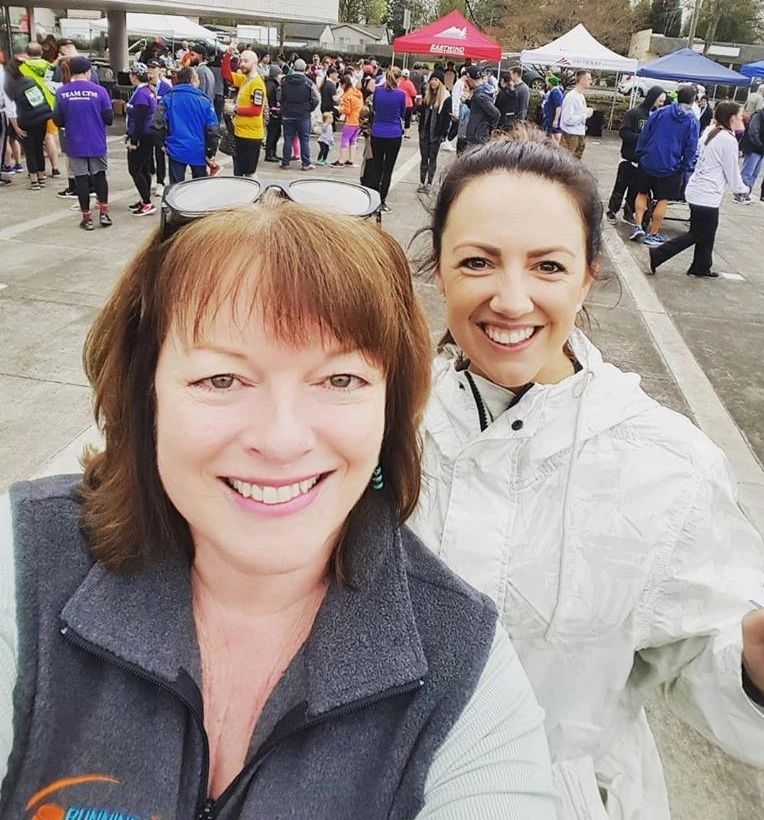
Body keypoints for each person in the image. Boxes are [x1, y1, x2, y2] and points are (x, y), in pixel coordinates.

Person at [0, 184, 558, 818]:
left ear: (390, 409)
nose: (282, 439)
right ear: (145, 393)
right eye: (222, 378)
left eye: (340, 379)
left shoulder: (462, 666)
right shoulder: (24, 568)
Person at [410, 133, 764, 820]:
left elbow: (705, 660)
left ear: (589, 274)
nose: (512, 301)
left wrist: (754, 666)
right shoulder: (377, 428)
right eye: (478, 261)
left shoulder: (668, 466)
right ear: (440, 270)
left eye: (547, 266)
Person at [647, 102, 748, 277]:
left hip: (699, 189)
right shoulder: (727, 140)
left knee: (708, 230)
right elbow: (732, 170)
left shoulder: (711, 132)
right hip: (706, 193)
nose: (742, 120)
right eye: (740, 117)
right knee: (699, 233)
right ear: (731, 118)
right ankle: (658, 254)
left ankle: (701, 266)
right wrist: (742, 190)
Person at [631, 83, 700, 247]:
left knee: (641, 193)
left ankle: (638, 226)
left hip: (648, 160)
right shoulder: (692, 120)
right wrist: (684, 166)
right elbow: (691, 146)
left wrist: (640, 152)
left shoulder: (660, 112)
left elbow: (645, 133)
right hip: (671, 165)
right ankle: (653, 233)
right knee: (663, 199)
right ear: (693, 100)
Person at [52, 56, 113, 231]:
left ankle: (87, 218)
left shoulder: (62, 92)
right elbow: (109, 118)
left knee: (81, 180)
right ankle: (104, 213)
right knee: (100, 176)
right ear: (88, 72)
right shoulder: (100, 91)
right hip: (97, 141)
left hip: (74, 142)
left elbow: (57, 119)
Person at [606, 86, 666, 224]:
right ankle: (612, 211)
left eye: (663, 102)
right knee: (620, 186)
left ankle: (629, 212)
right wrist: (643, 138)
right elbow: (624, 132)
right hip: (628, 158)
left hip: (644, 161)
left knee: (635, 190)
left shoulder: (657, 116)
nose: (661, 104)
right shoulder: (634, 113)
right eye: (659, 101)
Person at [153, 66, 219, 184]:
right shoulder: (204, 101)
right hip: (198, 150)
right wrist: (211, 151)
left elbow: (157, 122)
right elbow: (213, 129)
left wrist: (161, 143)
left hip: (175, 149)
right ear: (193, 79)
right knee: (199, 187)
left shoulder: (168, 98)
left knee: (175, 187)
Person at [3, 55, 53, 189]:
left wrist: (16, 128)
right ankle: (42, 176)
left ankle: (34, 180)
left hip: (26, 121)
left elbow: (11, 111)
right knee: (38, 148)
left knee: (30, 150)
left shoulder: (9, 88)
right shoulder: (30, 80)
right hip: (41, 117)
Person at [367, 67, 406, 213]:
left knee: (376, 167)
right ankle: (382, 201)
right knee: (388, 169)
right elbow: (402, 113)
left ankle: (374, 198)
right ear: (398, 79)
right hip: (393, 133)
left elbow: (375, 109)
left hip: (377, 132)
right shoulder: (401, 95)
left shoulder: (378, 93)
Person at [125, 62, 157, 217]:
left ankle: (147, 201)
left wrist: (133, 140)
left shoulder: (142, 94)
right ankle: (145, 199)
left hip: (142, 135)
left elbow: (140, 119)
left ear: (134, 76)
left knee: (135, 169)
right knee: (143, 168)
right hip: (146, 134)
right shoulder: (144, 91)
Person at [230, 50, 267, 178]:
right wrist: (229, 52)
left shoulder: (257, 84)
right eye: (241, 60)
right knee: (241, 171)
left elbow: (256, 111)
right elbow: (225, 73)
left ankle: (256, 195)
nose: (242, 64)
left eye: (246, 61)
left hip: (251, 136)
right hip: (240, 132)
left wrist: (235, 109)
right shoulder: (244, 80)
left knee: (250, 172)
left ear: (255, 63)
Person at [279, 58, 318, 171]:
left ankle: (285, 163)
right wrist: (309, 108)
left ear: (293, 68)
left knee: (288, 138)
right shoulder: (309, 83)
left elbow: (279, 98)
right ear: (305, 68)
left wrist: (284, 107)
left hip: (288, 114)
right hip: (303, 114)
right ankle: (306, 163)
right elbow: (316, 99)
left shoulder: (284, 82)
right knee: (304, 139)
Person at [417, 67, 451, 193]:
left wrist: (443, 134)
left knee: (433, 158)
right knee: (423, 158)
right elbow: (422, 114)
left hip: (435, 134)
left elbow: (446, 118)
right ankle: (421, 181)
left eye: (436, 80)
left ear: (441, 82)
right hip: (424, 132)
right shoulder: (427, 96)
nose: (433, 82)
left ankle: (429, 183)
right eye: (432, 79)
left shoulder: (446, 98)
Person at [559, 69, 593, 159]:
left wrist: (585, 112)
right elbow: (567, 119)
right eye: (589, 79)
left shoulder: (580, 95)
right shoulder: (572, 97)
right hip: (571, 136)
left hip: (578, 134)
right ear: (581, 80)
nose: (591, 81)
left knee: (575, 164)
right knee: (567, 164)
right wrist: (585, 115)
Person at [463, 66, 500, 150]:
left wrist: (488, 129)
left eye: (467, 78)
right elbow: (478, 109)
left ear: (470, 78)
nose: (466, 80)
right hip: (476, 136)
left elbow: (496, 114)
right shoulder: (482, 91)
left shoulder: (480, 95)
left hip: (477, 138)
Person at [333, 75, 362, 167]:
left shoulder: (347, 96)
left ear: (344, 84)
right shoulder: (358, 92)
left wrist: (339, 109)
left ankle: (341, 160)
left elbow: (347, 110)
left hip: (351, 120)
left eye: (341, 85)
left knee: (345, 139)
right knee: (353, 140)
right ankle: (351, 160)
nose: (341, 87)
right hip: (359, 120)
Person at [738, 106, 764, 204]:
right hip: (754, 148)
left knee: (755, 174)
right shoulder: (758, 115)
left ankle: (747, 194)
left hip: (761, 150)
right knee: (747, 173)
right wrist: (759, 144)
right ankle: (740, 194)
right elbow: (753, 132)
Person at [264, 65, 283, 162]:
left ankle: (273, 152)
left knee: (276, 133)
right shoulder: (271, 84)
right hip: (273, 112)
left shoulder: (273, 84)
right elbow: (270, 98)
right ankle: (269, 154)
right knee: (272, 133)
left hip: (275, 111)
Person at [540, 75, 563, 143]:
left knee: (555, 133)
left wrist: (556, 120)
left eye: (548, 82)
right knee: (549, 133)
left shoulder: (555, 92)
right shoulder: (552, 91)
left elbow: (558, 106)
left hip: (551, 117)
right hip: (548, 116)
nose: (546, 84)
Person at [398, 68, 418, 139]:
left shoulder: (399, 82)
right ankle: (406, 134)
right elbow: (413, 93)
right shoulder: (410, 83)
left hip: (399, 102)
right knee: (407, 119)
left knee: (399, 118)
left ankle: (399, 131)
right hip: (408, 103)